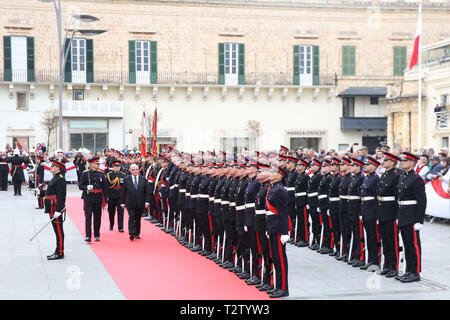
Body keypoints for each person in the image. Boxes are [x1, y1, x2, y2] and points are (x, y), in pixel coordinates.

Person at [396, 152, 426, 283]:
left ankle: (415, 272)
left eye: (406, 161)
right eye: (402, 161)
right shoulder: (403, 176)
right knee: (407, 244)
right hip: (403, 213)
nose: (403, 163)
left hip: (412, 215)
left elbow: (422, 201)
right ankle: (408, 270)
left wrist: (419, 220)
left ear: (412, 163)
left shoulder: (416, 178)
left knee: (414, 245)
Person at [265, 165, 290, 298]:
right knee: (275, 258)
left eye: (273, 172)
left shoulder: (279, 190)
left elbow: (283, 212)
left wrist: (285, 232)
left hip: (279, 227)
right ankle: (278, 285)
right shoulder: (273, 188)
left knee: (280, 259)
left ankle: (284, 288)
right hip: (272, 226)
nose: (270, 173)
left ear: (279, 176)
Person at [377, 152, 402, 278]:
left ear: (392, 162)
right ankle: (386, 265)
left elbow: (398, 197)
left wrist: (397, 215)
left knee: (392, 240)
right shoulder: (384, 175)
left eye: (386, 160)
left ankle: (394, 267)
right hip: (382, 211)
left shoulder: (397, 176)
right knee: (385, 240)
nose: (383, 162)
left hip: (391, 212)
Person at [360, 156, 381, 272]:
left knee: (374, 237)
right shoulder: (366, 178)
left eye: (367, 165)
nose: (365, 166)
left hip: (373, 211)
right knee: (368, 237)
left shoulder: (376, 179)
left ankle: (375, 261)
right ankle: (370, 260)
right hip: (366, 210)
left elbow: (378, 198)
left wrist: (377, 215)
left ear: (374, 166)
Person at [79, 157, 107, 242]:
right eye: (96, 163)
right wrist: (86, 187)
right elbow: (80, 186)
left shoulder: (101, 174)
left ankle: (97, 234)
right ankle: (88, 235)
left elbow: (105, 187)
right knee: (88, 217)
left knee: (97, 217)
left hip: (98, 198)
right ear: (91, 164)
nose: (97, 165)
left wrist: (105, 199)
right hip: (88, 197)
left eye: (98, 163)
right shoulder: (85, 174)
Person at [44, 160, 67, 260]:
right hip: (51, 207)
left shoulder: (60, 179)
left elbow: (61, 196)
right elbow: (51, 191)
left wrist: (58, 210)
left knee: (58, 230)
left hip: (55, 207)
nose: (51, 167)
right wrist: (41, 193)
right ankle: (58, 250)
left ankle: (60, 252)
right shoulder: (55, 177)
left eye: (53, 166)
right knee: (56, 230)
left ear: (57, 168)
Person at [121, 163, 150, 241]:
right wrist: (122, 203)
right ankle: (131, 233)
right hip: (130, 202)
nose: (135, 171)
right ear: (130, 171)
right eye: (133, 170)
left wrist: (147, 201)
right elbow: (123, 192)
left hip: (140, 202)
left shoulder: (143, 179)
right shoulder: (126, 179)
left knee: (138, 218)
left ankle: (137, 233)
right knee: (131, 217)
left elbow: (147, 192)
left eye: (136, 169)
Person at [106, 160, 126, 232]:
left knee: (121, 211)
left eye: (118, 166)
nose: (117, 168)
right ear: (113, 167)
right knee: (111, 211)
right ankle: (111, 224)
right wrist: (107, 196)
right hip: (111, 195)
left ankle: (120, 227)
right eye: (116, 166)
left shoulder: (123, 175)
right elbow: (107, 186)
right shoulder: (109, 175)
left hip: (120, 196)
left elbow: (125, 187)